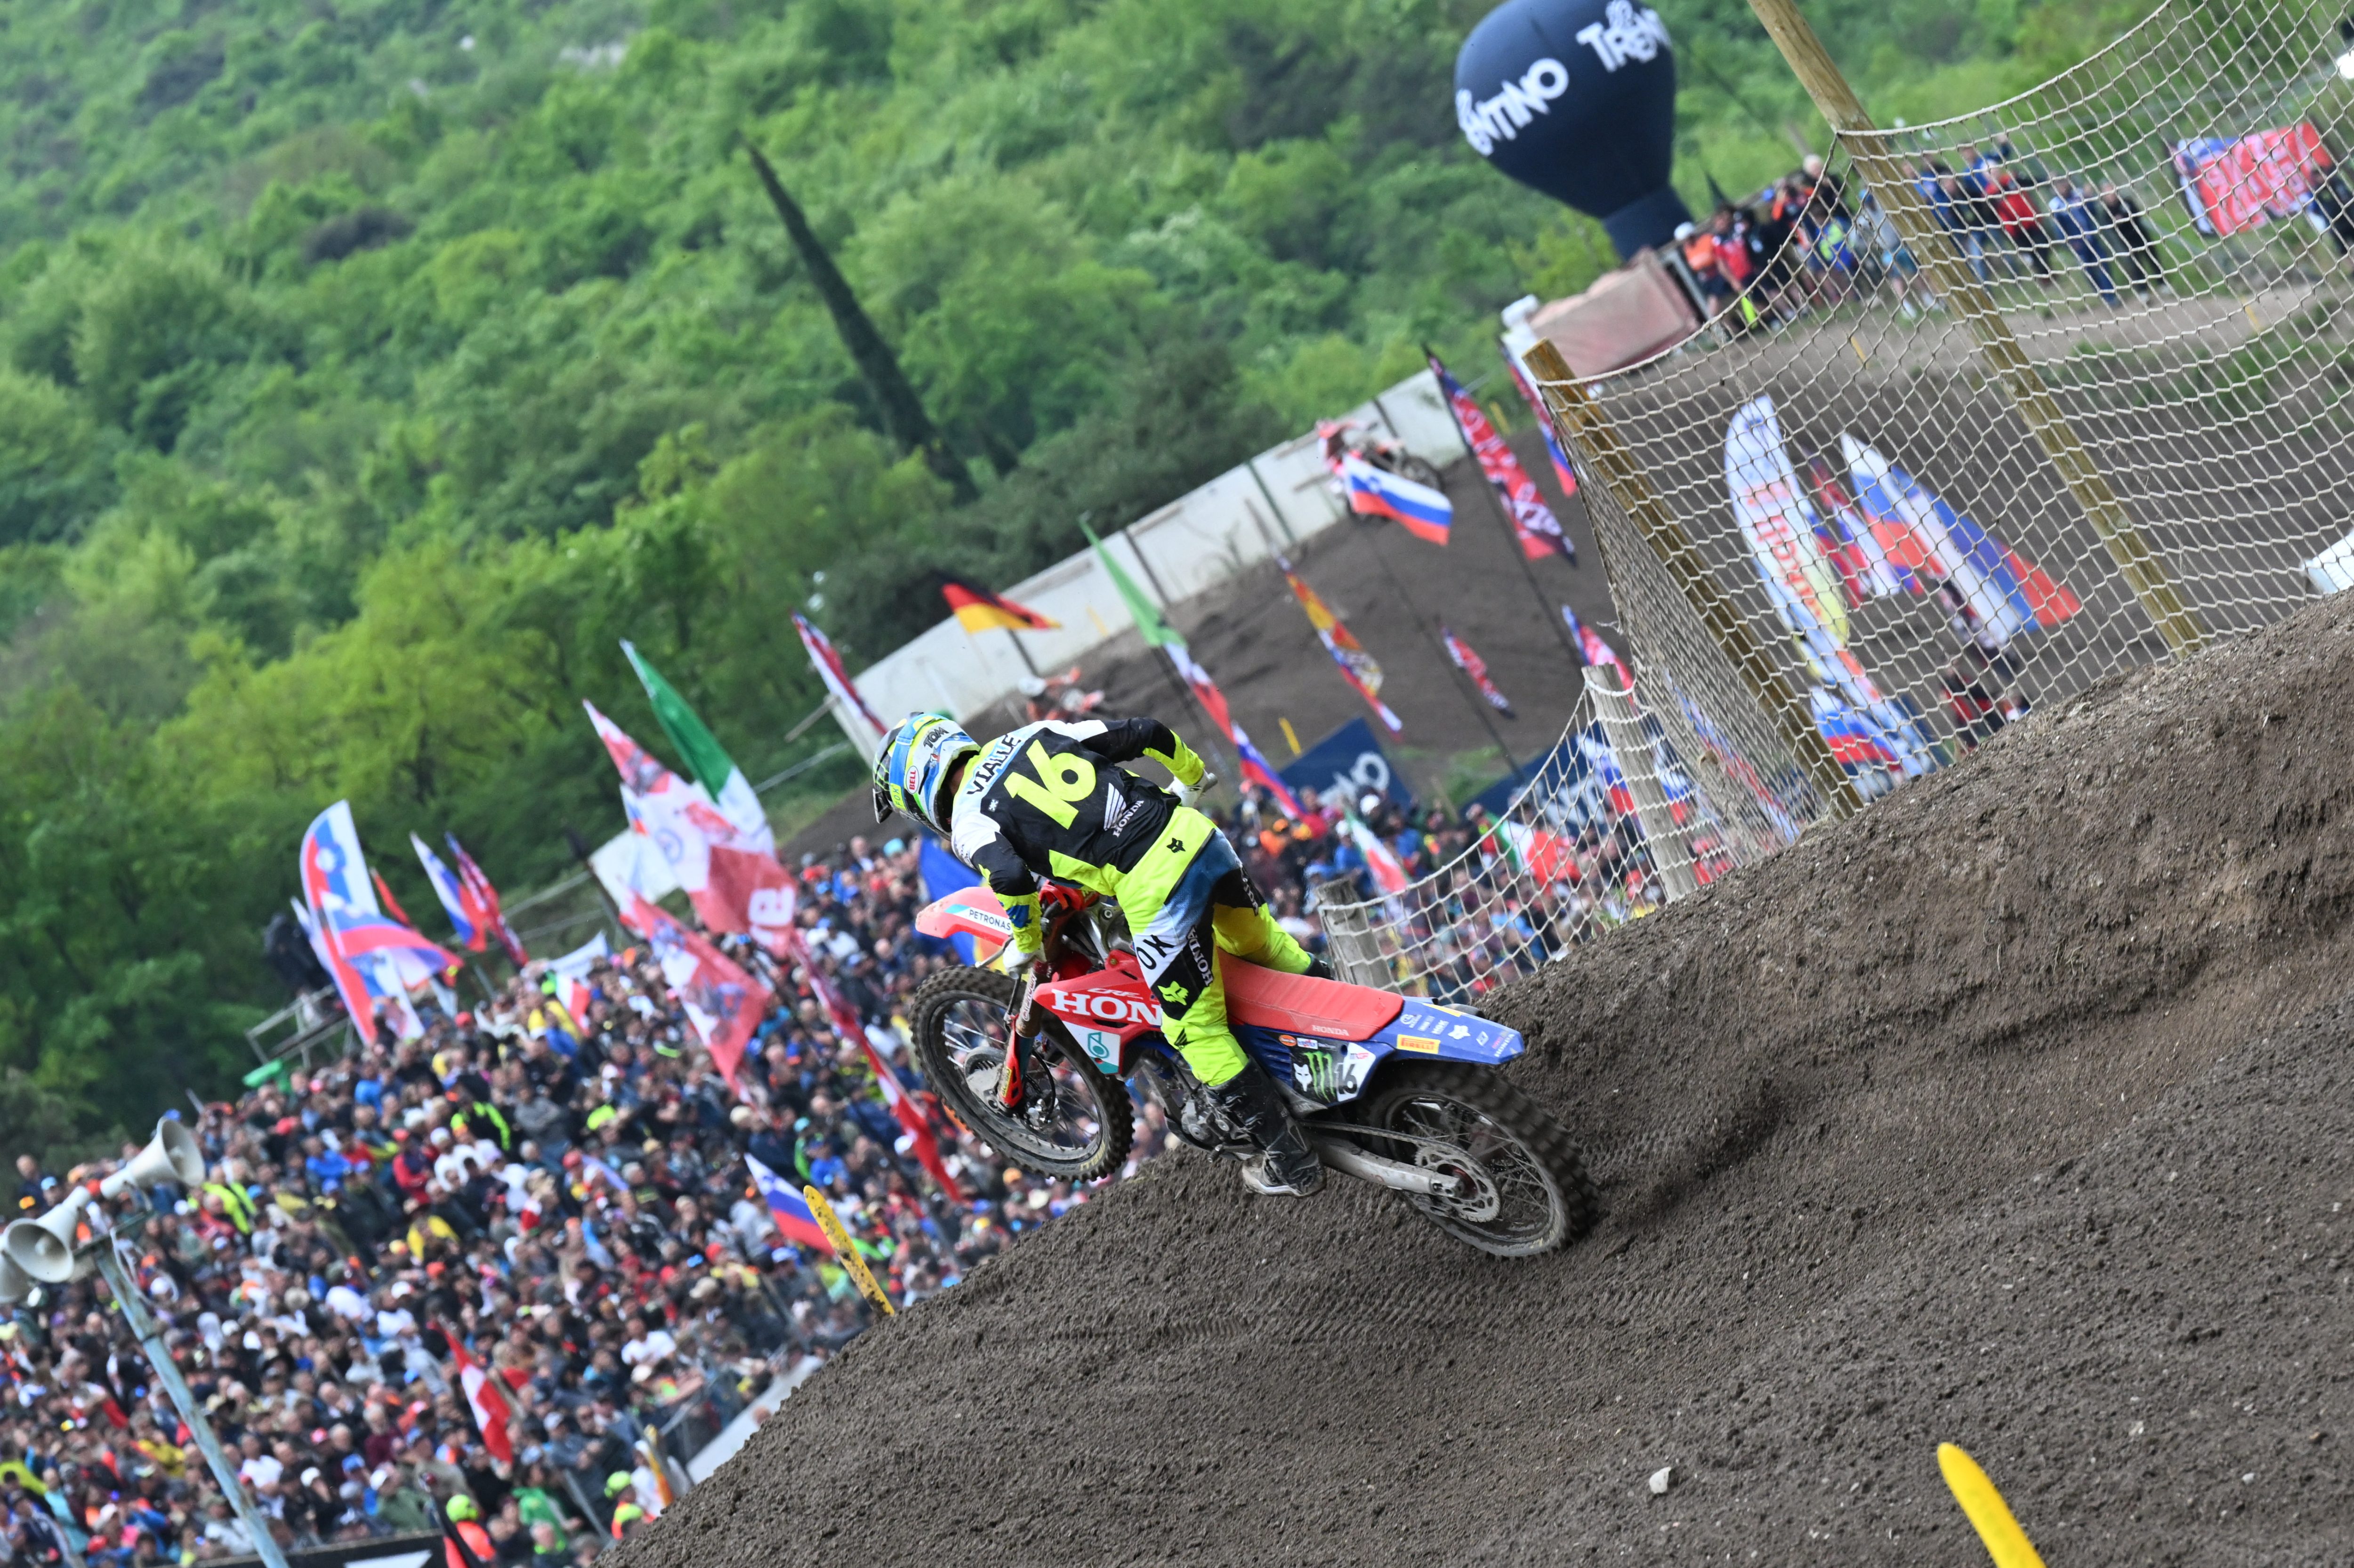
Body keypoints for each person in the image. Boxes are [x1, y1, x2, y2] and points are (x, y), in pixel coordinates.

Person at [871, 712, 1330, 1196]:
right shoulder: (1034, 734)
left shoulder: (969, 818)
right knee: (1264, 949)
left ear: (916, 789)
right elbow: (1146, 732)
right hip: (1195, 834)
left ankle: (1291, 1161)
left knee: (1193, 1029)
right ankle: (1350, 1027)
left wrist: (1026, 944)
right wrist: (1192, 778)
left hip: (1154, 886)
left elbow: (1008, 877)